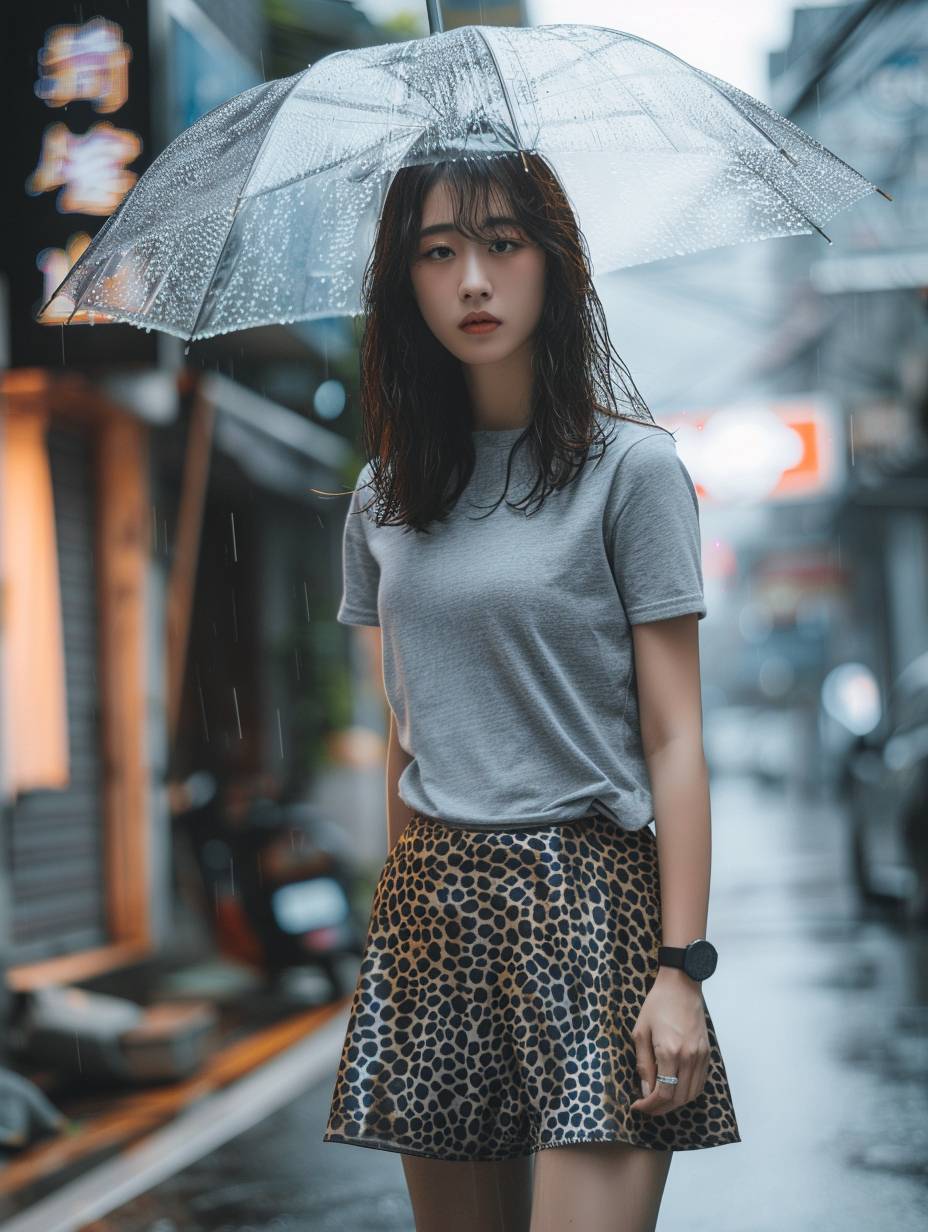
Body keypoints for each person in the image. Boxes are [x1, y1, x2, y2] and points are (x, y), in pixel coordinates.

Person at [322, 149, 741, 1232]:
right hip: (432, 916)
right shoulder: (383, 495)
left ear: (553, 264)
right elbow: (406, 733)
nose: (472, 278)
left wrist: (679, 967)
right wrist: (393, 930)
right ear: (402, 282)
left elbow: (675, 736)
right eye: (438, 250)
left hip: (592, 902)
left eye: (502, 242)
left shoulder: (630, 470)